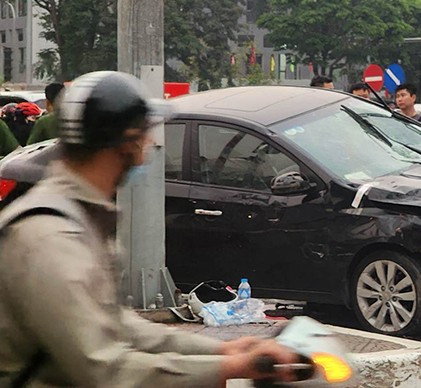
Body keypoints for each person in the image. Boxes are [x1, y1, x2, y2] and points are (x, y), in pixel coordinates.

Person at [0, 71, 297, 386]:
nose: (151, 143)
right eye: (144, 133)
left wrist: (224, 351)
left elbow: (123, 328)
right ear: (124, 143)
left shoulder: (80, 216)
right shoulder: (51, 237)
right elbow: (105, 370)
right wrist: (227, 367)